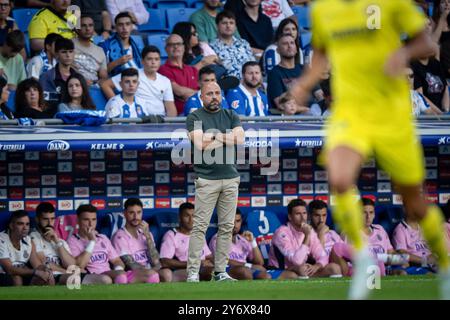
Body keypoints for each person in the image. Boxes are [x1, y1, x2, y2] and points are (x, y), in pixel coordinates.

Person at [289, 0, 450, 299]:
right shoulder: (324, 10)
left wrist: (401, 52)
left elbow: (427, 44)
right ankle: (362, 259)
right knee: (338, 179)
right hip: (350, 113)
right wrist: (303, 84)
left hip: (391, 113)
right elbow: (321, 58)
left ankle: (446, 264)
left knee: (414, 202)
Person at [186, 81, 244, 282]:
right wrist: (226, 136)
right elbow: (201, 145)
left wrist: (214, 135)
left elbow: (241, 139)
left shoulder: (230, 115)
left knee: (227, 227)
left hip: (230, 178)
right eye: (209, 93)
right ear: (201, 96)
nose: (214, 97)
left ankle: (220, 272)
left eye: (217, 93)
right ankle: (193, 272)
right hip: (207, 180)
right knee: (199, 227)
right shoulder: (195, 117)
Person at [30, 202, 111, 285]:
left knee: (104, 279)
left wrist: (57, 241)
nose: (49, 223)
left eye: (52, 219)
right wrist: (65, 271)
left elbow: (72, 265)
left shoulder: (60, 241)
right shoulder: (33, 237)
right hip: (50, 276)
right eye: (45, 219)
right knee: (102, 280)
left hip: (64, 275)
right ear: (37, 219)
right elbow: (44, 263)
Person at [330, 198, 406, 277]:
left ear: (374, 214)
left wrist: (400, 260)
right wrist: (381, 258)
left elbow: (391, 253)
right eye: (364, 213)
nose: (368, 216)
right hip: (360, 271)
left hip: (384, 269)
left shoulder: (380, 230)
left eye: (371, 212)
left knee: (402, 272)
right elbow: (349, 259)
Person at [268, 199, 342, 278]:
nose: (303, 217)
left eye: (304, 213)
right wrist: (307, 236)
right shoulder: (282, 233)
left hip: (300, 269)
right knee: (302, 269)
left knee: (334, 268)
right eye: (298, 214)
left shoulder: (309, 231)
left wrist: (316, 266)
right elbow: (297, 261)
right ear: (290, 217)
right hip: (280, 269)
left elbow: (323, 256)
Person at [100, 45, 177, 117]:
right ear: (142, 61)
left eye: (156, 59)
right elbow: (105, 85)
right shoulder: (133, 75)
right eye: (149, 59)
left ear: (160, 61)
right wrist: (119, 102)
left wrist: (170, 124)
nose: (153, 62)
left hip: (160, 119)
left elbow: (170, 107)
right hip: (139, 119)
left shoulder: (165, 81)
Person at [112, 198, 172, 283]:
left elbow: (156, 261)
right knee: (152, 274)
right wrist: (153, 269)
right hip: (132, 274)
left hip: (150, 270)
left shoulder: (146, 232)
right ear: (124, 213)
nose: (136, 217)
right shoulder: (119, 237)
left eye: (139, 212)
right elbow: (131, 265)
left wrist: (147, 236)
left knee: (167, 273)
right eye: (131, 213)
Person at [67, 204, 128, 284]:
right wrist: (92, 241)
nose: (90, 224)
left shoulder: (102, 238)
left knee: (123, 275)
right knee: (108, 278)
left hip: (107, 273)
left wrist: (117, 271)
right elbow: (80, 265)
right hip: (91, 276)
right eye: (86, 220)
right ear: (78, 220)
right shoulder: (72, 241)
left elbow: (117, 260)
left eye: (93, 219)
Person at [209, 209, 270, 280]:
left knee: (265, 275)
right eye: (231, 221)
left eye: (237, 221)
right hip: (227, 269)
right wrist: (249, 265)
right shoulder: (218, 239)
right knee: (244, 272)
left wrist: (253, 242)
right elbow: (222, 260)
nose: (235, 225)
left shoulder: (243, 239)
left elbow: (260, 262)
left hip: (245, 269)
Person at [160, 202, 214, 282]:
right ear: (179, 217)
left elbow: (208, 256)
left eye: (194, 216)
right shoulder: (171, 235)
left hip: (203, 270)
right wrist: (194, 264)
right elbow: (165, 261)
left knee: (217, 272)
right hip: (184, 270)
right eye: (187, 216)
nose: (191, 220)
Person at [0, 210, 54, 287]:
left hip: (21, 275)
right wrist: (36, 272)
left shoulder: (28, 241)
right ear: (11, 225)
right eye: (20, 224)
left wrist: (46, 269)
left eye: (27, 224)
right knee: (17, 277)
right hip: (4, 275)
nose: (25, 228)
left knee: (46, 277)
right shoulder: (1, 239)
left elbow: (37, 265)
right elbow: (9, 269)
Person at [159, 34, 199, 115]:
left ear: (184, 47)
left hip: (198, 112)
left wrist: (193, 94)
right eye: (171, 45)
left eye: (179, 44)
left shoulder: (192, 70)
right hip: (180, 116)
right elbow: (179, 92)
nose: (176, 47)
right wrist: (198, 94)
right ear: (166, 49)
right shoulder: (163, 70)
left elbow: (205, 92)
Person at [209, 10, 255, 79]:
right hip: (228, 86)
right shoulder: (211, 47)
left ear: (235, 26)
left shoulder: (244, 43)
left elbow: (254, 65)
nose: (228, 26)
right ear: (217, 26)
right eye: (224, 23)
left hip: (249, 83)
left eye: (231, 23)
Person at [267, 34, 306, 111]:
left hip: (316, 115)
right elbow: (280, 104)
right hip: (293, 118)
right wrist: (308, 110)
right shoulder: (274, 73)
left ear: (296, 49)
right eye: (285, 43)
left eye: (292, 43)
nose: (289, 46)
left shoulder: (305, 69)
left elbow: (318, 94)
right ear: (278, 50)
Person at [392, 210, 437, 275]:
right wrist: (425, 261)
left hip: (431, 263)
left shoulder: (424, 227)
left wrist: (434, 257)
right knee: (430, 275)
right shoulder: (400, 230)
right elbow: (403, 254)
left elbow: (432, 249)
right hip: (416, 265)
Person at [40, 38, 80, 109]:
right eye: (64, 52)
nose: (68, 55)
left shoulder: (78, 76)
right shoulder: (47, 77)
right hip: (54, 116)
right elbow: (45, 103)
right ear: (56, 54)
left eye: (70, 52)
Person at [99, 12, 142, 77]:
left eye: (127, 24)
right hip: (113, 82)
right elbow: (99, 73)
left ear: (132, 27)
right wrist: (117, 62)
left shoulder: (137, 46)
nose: (124, 28)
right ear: (115, 27)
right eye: (120, 25)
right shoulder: (105, 46)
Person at [72, 15, 108, 85]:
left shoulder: (100, 50)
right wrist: (82, 80)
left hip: (93, 86)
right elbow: (64, 67)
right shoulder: (69, 44)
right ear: (77, 29)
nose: (87, 28)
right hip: (74, 83)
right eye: (83, 26)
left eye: (90, 25)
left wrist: (97, 83)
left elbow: (103, 76)